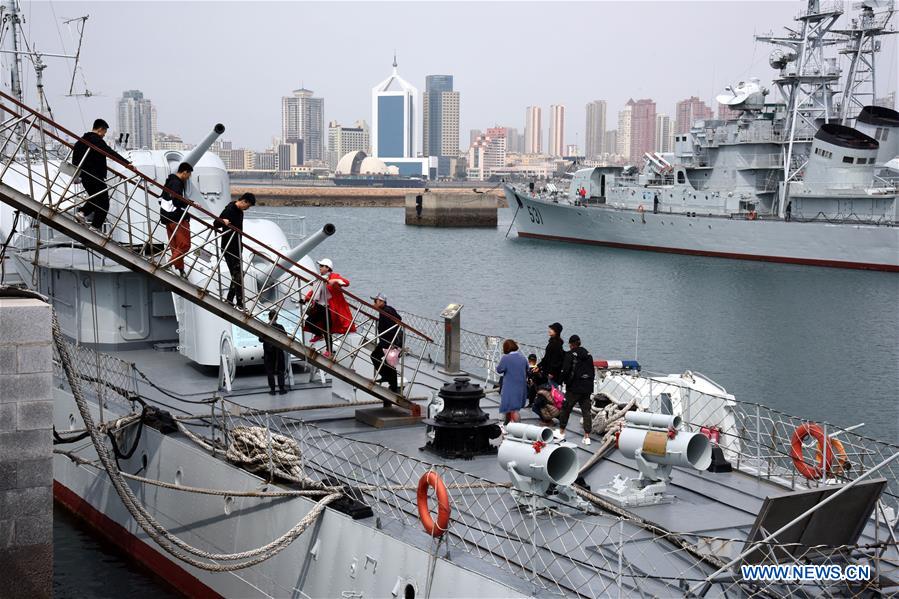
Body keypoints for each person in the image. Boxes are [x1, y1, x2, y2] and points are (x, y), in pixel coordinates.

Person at [72, 118, 131, 230]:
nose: (104, 135)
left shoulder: (80, 141)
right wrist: (126, 163)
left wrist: (78, 175)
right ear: (100, 129)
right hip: (95, 176)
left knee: (95, 199)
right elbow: (109, 152)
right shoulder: (96, 140)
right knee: (104, 203)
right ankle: (95, 228)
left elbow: (75, 159)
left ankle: (82, 213)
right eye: (104, 132)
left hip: (84, 177)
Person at [302, 258, 356, 356]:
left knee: (327, 330)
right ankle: (319, 335)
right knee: (309, 322)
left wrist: (334, 280)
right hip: (320, 307)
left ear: (328, 268)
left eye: (322, 266)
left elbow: (346, 282)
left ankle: (329, 350)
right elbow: (315, 291)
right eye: (320, 266)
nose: (320, 268)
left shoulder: (333, 276)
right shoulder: (320, 278)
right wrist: (306, 299)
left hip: (330, 308)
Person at [218, 192, 256, 309]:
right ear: (244, 201)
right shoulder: (229, 210)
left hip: (237, 247)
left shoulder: (240, 212)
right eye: (248, 206)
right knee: (237, 275)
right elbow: (216, 222)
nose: (247, 208)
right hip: (229, 247)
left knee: (238, 275)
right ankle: (238, 302)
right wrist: (222, 221)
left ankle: (231, 299)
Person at [556, 335, 595, 445]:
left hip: (574, 388)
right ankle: (587, 436)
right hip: (586, 387)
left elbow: (565, 370)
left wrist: (560, 380)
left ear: (571, 344)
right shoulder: (588, 355)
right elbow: (592, 371)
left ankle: (562, 432)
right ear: (580, 342)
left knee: (566, 409)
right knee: (586, 412)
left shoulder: (569, 355)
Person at [159, 162, 193, 277]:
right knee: (184, 245)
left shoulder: (169, 182)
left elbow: (161, 199)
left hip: (166, 217)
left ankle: (181, 270)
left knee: (175, 246)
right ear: (185, 172)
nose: (189, 177)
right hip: (176, 217)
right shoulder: (177, 183)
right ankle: (170, 263)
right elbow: (177, 201)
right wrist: (191, 203)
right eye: (189, 175)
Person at [370, 293, 404, 393]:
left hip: (389, 341)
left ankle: (388, 379)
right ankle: (391, 383)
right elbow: (399, 318)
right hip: (390, 340)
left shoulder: (386, 312)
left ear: (381, 302)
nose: (374, 303)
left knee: (375, 356)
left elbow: (392, 326)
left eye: (375, 301)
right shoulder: (388, 309)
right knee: (388, 362)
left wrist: (390, 344)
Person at [496, 339, 527, 425]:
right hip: (521, 386)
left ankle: (518, 427)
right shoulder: (523, 358)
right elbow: (527, 369)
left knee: (512, 408)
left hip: (510, 386)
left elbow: (499, 370)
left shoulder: (506, 358)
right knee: (513, 407)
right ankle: (507, 423)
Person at [259, 309, 288, 395]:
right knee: (280, 370)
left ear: (269, 317)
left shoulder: (265, 327)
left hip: (268, 351)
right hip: (278, 350)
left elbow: (260, 339)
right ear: (277, 317)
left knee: (270, 370)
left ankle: (272, 390)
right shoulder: (280, 327)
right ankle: (281, 389)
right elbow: (285, 338)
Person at [538, 322, 565, 387]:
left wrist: (552, 372)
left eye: (552, 329)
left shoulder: (556, 344)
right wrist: (539, 366)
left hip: (552, 374)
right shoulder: (552, 342)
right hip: (548, 372)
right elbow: (546, 358)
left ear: (556, 331)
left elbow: (557, 360)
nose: (549, 330)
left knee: (554, 390)